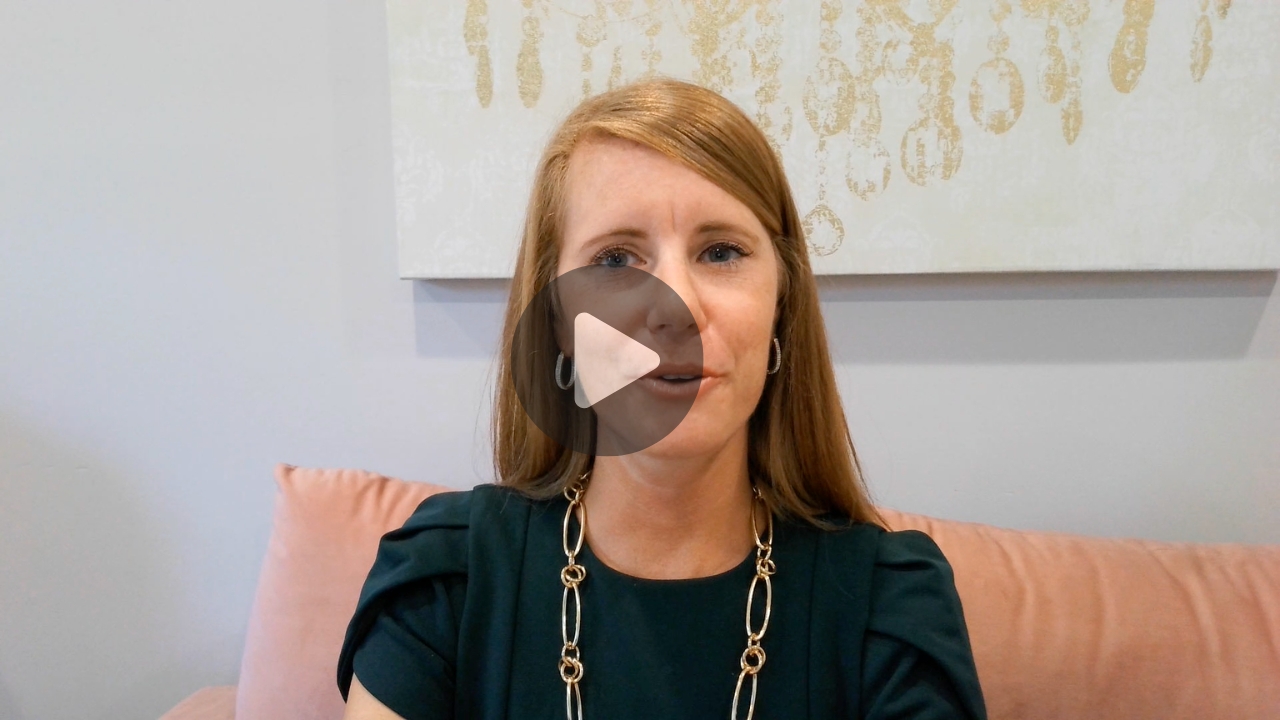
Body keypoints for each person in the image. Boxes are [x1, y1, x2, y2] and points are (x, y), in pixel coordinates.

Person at [336, 77, 986, 720]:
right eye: (616, 261)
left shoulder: (889, 604)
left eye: (721, 252)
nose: (676, 310)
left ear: (780, 305)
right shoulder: (446, 578)